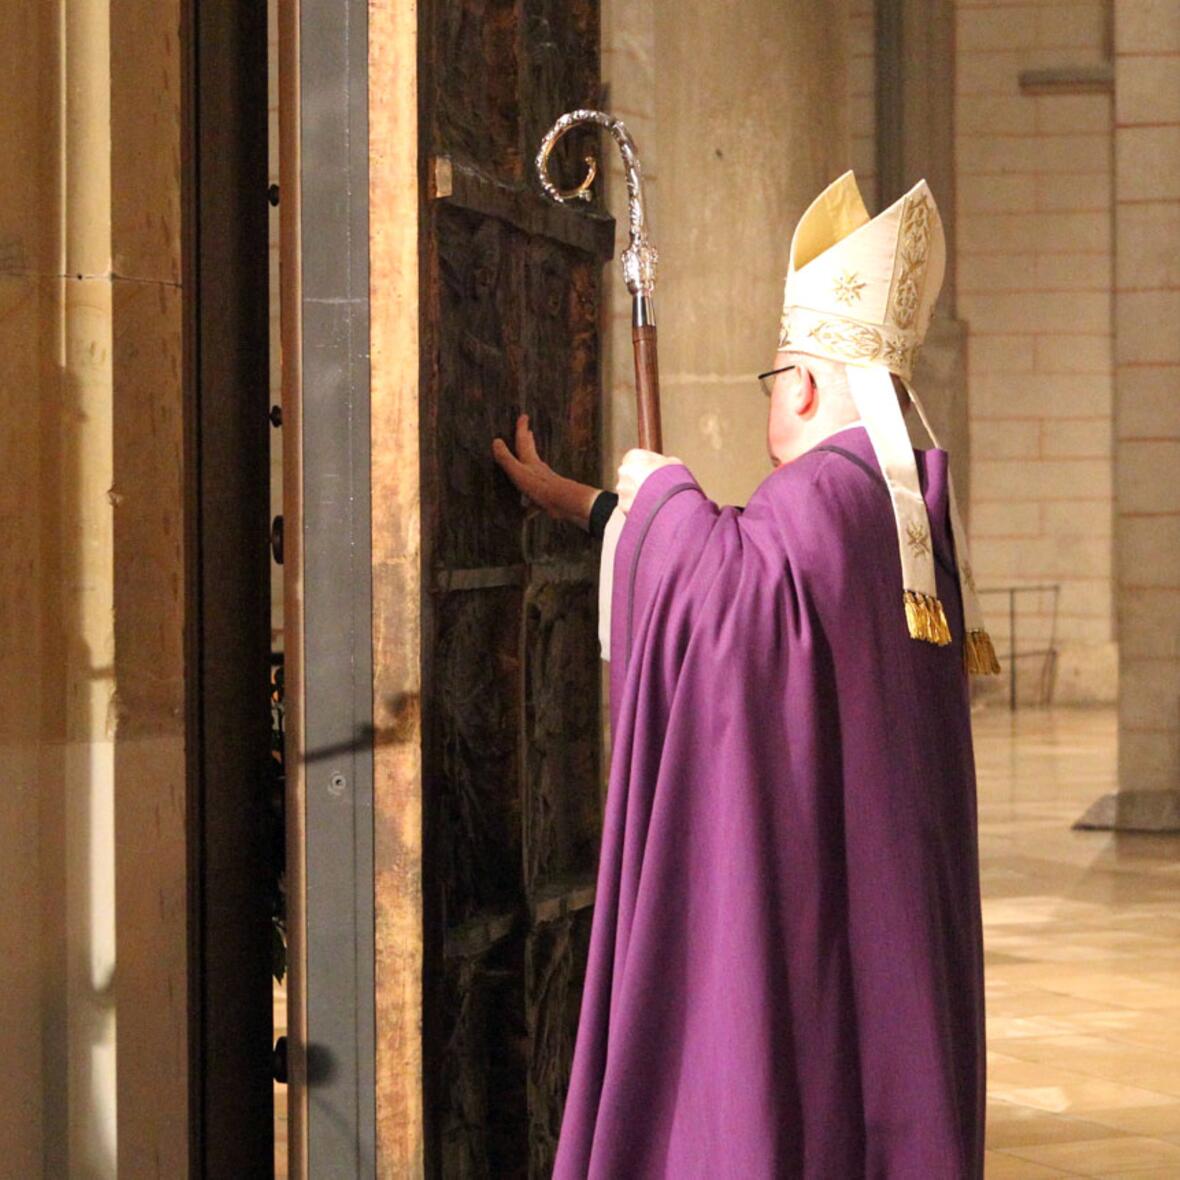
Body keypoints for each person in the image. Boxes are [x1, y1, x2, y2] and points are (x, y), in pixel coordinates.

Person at [492, 170, 998, 1178]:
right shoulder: (894, 517)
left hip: (807, 921)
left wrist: (658, 486)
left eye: (772, 381)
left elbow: (726, 605)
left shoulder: (819, 500)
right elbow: (753, 587)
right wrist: (602, 507)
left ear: (801, 385)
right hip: (874, 916)